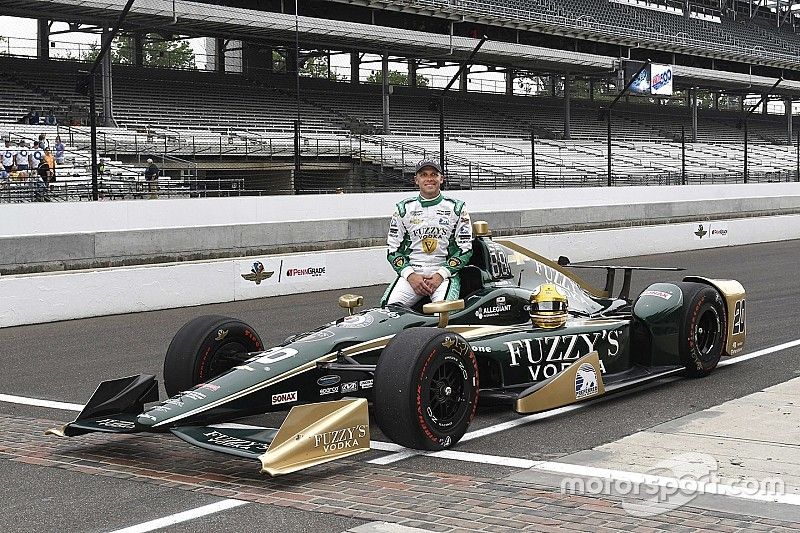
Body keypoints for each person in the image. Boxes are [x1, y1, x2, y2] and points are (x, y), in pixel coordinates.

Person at [383, 159, 473, 306]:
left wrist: (440, 275)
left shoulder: (457, 208)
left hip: (444, 277)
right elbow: (393, 250)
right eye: (424, 174)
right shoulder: (403, 209)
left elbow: (465, 250)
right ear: (416, 180)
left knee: (443, 313)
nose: (429, 178)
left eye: (434, 174)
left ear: (441, 179)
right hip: (412, 275)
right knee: (388, 310)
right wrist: (410, 275)